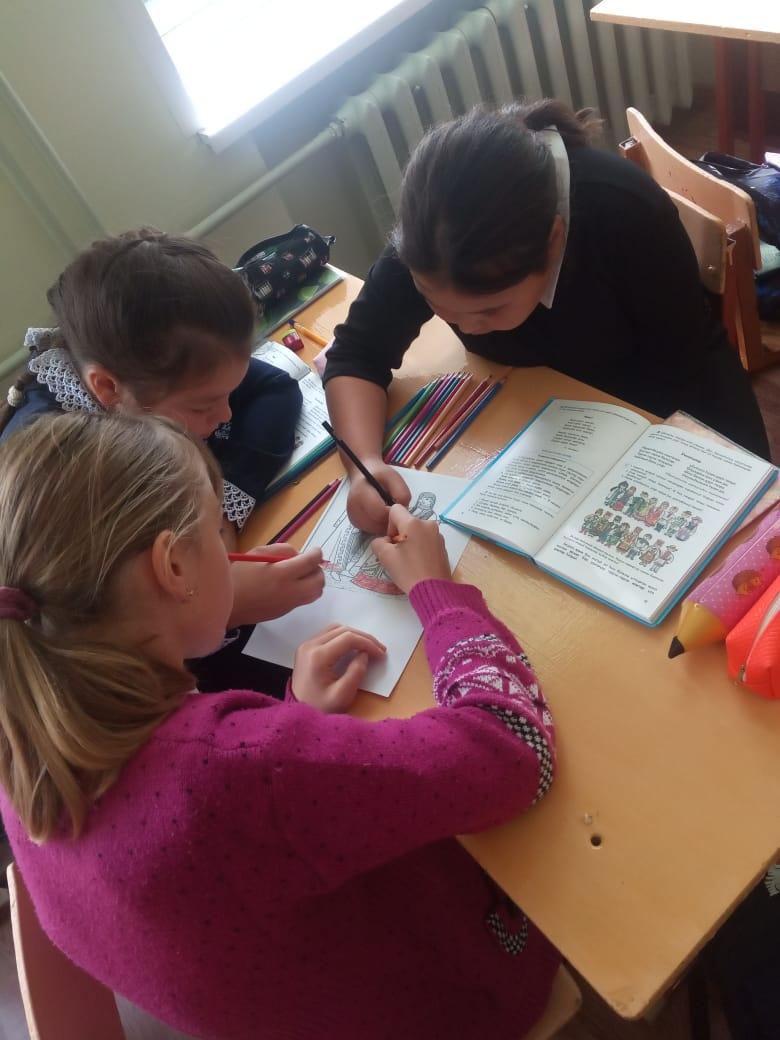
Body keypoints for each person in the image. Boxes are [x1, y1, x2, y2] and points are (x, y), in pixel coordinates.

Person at [0, 411, 558, 1040]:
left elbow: (226, 845)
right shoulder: (241, 770)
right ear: (173, 569)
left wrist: (293, 721)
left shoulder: (26, 736)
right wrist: (435, 590)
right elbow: (513, 752)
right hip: (453, 1006)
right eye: (217, 532)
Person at [323, 99, 770, 532]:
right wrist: (365, 468)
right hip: (540, 416)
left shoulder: (622, 212)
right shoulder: (435, 240)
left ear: (554, 242)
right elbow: (357, 352)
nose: (466, 326)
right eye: (441, 307)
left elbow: (684, 373)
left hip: (664, 407)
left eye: (490, 309)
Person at [0, 228, 324, 691]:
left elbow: (274, 387)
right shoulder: (55, 473)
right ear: (107, 388)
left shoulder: (166, 369)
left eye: (229, 394)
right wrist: (227, 602)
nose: (226, 415)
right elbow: (75, 645)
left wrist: (224, 506)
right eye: (203, 406)